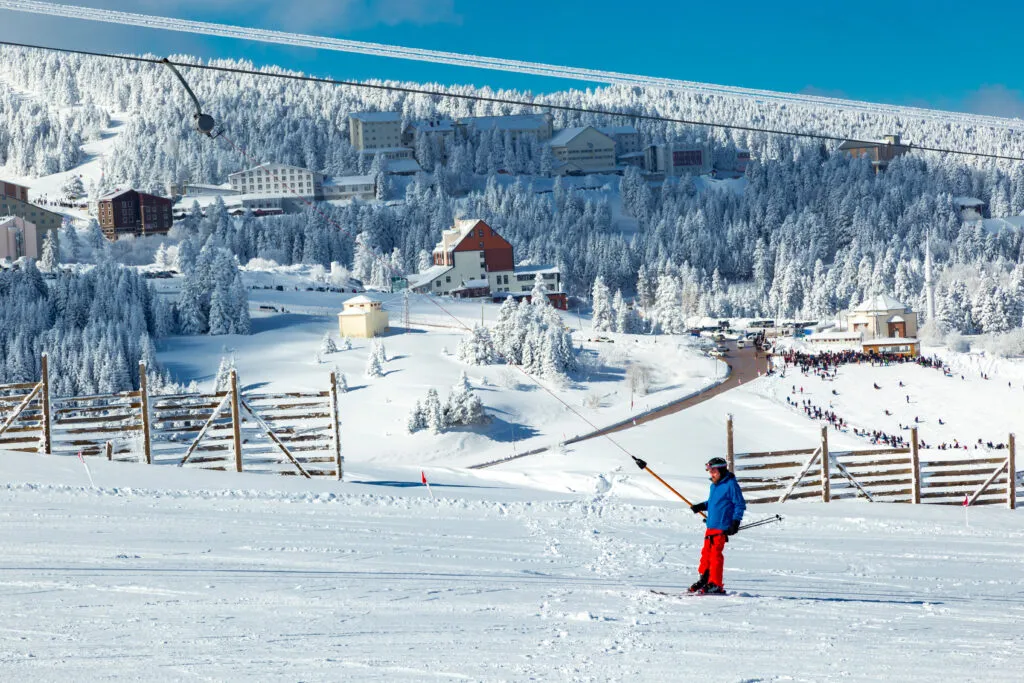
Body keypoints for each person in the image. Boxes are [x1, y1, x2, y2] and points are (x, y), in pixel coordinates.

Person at [687, 457, 746, 594]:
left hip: (721, 527)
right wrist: (701, 506)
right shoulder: (714, 485)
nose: (711, 474)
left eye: (713, 471)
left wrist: (735, 522)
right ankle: (705, 579)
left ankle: (716, 584)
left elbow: (740, 504)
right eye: (709, 471)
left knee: (715, 556)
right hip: (711, 525)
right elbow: (713, 503)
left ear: (721, 469)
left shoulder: (731, 485)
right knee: (706, 555)